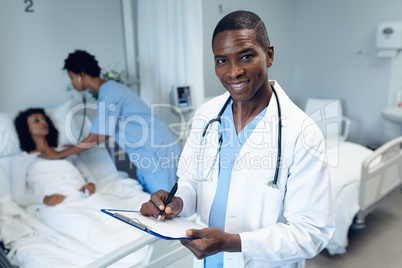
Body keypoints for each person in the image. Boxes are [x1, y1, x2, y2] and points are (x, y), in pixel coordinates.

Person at [140, 10, 334, 268]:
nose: (234, 72)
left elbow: (311, 232)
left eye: (246, 56)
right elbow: (190, 181)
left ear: (269, 55)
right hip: (209, 261)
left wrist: (232, 242)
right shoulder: (206, 115)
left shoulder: (302, 132)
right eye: (222, 60)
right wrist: (176, 202)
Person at [11, 108, 149, 265]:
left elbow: (88, 175)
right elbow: (18, 196)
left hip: (84, 196)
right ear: (25, 128)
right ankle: (125, 263)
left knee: (115, 223)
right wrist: (44, 199)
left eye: (44, 119)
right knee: (87, 229)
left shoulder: (65, 150)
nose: (43, 122)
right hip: (57, 205)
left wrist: (91, 184)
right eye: (36, 120)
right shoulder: (22, 160)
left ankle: (147, 255)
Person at [40, 50, 181, 194]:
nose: (72, 83)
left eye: (71, 77)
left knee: (166, 205)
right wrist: (73, 148)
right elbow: (99, 135)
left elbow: (97, 137)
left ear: (81, 74)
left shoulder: (110, 93)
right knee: (157, 202)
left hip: (156, 153)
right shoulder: (110, 89)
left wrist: (60, 154)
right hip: (151, 152)